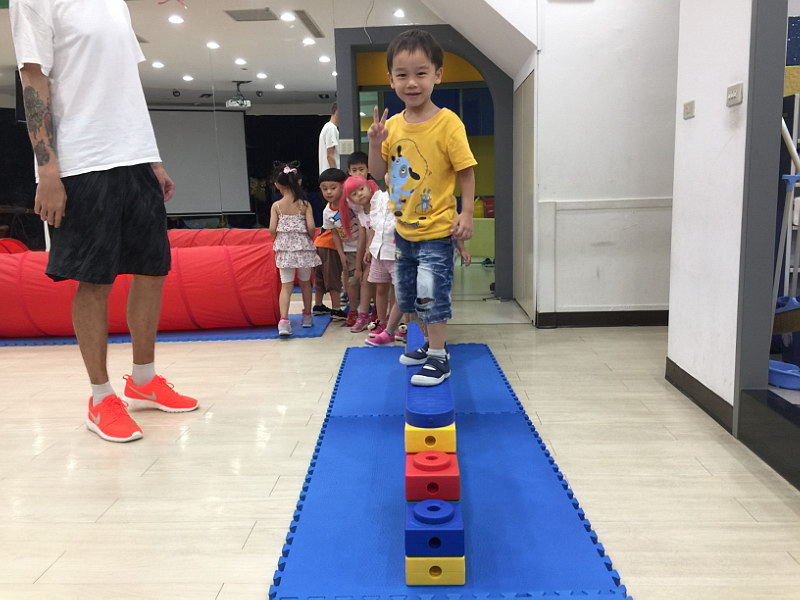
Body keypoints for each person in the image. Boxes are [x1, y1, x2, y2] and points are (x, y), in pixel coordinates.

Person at [9, 0, 198, 443]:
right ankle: (100, 397)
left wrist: (152, 159)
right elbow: (33, 80)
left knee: (152, 270)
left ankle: (144, 380)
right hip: (83, 162)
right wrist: (47, 171)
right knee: (95, 281)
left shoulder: (114, 3)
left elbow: (125, 86)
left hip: (134, 156)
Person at [368, 29, 477, 386]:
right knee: (409, 296)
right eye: (402, 75)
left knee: (431, 293)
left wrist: (466, 214)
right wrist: (375, 144)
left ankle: (439, 356)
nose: (411, 83)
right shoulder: (392, 126)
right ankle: (429, 346)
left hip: (437, 230)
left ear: (437, 75)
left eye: (421, 73)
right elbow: (378, 173)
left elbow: (466, 171)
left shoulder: (448, 123)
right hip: (404, 231)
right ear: (391, 79)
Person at [269, 162, 320, 336]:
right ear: (298, 182)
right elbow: (311, 227)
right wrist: (308, 238)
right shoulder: (305, 204)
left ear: (277, 185)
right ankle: (307, 316)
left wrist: (279, 238)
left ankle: (284, 321)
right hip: (303, 248)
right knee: (305, 283)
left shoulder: (276, 206)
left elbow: (272, 229)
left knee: (286, 286)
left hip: (285, 250)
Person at [341, 176, 379, 332]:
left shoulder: (379, 205)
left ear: (369, 188)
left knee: (385, 287)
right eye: (354, 194)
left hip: (387, 251)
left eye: (361, 189)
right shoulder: (362, 214)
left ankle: (381, 316)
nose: (360, 194)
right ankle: (365, 315)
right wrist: (358, 267)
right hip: (374, 254)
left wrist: (369, 249)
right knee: (366, 280)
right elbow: (362, 240)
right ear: (351, 200)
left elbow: (377, 231)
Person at [313, 168, 348, 320]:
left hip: (320, 243)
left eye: (333, 188)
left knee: (321, 277)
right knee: (332, 277)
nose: (328, 192)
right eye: (324, 188)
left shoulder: (341, 205)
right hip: (329, 246)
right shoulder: (329, 209)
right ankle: (336, 309)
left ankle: (318, 305)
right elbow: (334, 233)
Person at [318, 102, 340, 174]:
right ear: (337, 112)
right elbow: (330, 155)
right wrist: (336, 175)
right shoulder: (331, 128)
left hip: (327, 174)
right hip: (331, 175)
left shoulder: (328, 127)